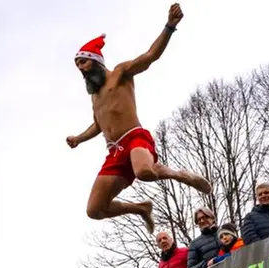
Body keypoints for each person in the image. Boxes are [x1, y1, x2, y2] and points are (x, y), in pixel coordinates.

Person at [66, 3, 212, 234]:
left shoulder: (120, 74)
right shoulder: (95, 97)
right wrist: (78, 138)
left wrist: (169, 26)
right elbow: (98, 125)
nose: (80, 69)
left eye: (82, 62)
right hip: (115, 151)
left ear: (95, 60)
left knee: (144, 172)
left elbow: (150, 56)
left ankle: (180, 174)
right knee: (94, 210)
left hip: (134, 138)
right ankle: (141, 208)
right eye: (77, 66)